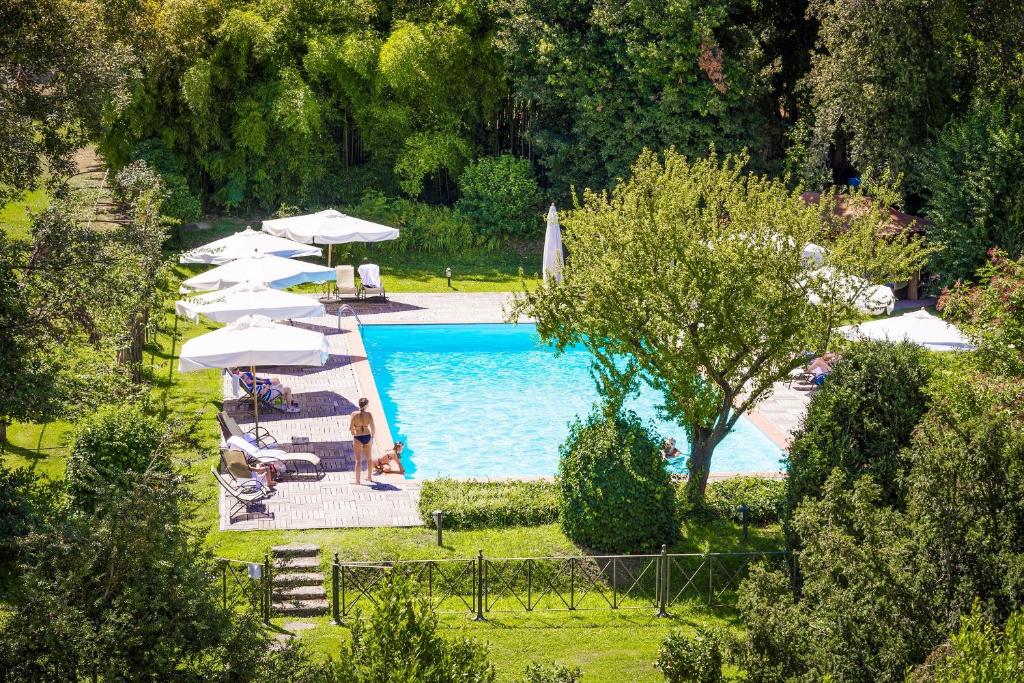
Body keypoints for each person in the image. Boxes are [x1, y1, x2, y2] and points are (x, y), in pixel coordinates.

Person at [230, 368, 299, 413]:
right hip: (268, 395)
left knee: (279, 385)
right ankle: (289, 408)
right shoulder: (253, 387)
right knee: (288, 389)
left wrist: (264, 385)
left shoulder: (250, 385)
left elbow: (260, 387)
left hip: (268, 391)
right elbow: (262, 393)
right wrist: (267, 387)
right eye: (247, 378)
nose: (248, 377)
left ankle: (284, 402)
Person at [349, 397, 375, 485]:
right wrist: (372, 437)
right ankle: (369, 477)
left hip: (358, 438)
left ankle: (357, 481)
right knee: (369, 458)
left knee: (358, 460)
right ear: (366, 405)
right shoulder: (369, 414)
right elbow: (373, 429)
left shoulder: (354, 414)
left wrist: (354, 433)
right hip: (367, 436)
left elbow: (350, 428)